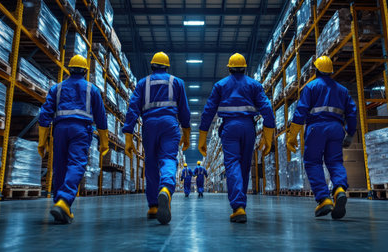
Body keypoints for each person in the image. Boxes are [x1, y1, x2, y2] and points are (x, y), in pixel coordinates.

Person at [198, 53, 275, 223]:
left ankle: (238, 206)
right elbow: (267, 110)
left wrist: (202, 136)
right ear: (245, 68)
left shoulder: (221, 85)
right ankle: (241, 204)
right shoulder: (254, 85)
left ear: (229, 68)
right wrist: (267, 137)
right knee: (244, 166)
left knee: (232, 164)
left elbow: (208, 111)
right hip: (248, 128)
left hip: (230, 128)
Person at [38, 55, 109, 224]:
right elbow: (101, 117)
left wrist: (42, 140)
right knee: (76, 164)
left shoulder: (57, 88)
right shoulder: (92, 89)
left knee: (60, 166)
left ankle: (61, 205)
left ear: (69, 69)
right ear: (85, 71)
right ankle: (64, 201)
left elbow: (44, 114)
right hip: (80, 130)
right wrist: (104, 142)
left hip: (60, 130)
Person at [123, 52, 191, 224]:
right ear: (167, 66)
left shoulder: (142, 83)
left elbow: (132, 110)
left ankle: (153, 205)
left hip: (149, 125)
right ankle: (166, 189)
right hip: (169, 124)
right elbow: (184, 110)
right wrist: (187, 134)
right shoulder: (177, 82)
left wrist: (129, 136)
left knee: (151, 163)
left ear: (152, 66)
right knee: (168, 158)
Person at [286, 56, 357, 220]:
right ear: (331, 71)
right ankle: (339, 189)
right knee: (335, 162)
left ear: (316, 70)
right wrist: (350, 133)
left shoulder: (310, 87)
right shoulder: (342, 90)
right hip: (336, 129)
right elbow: (352, 113)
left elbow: (300, 112)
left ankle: (324, 199)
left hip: (316, 129)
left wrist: (292, 135)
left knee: (312, 162)